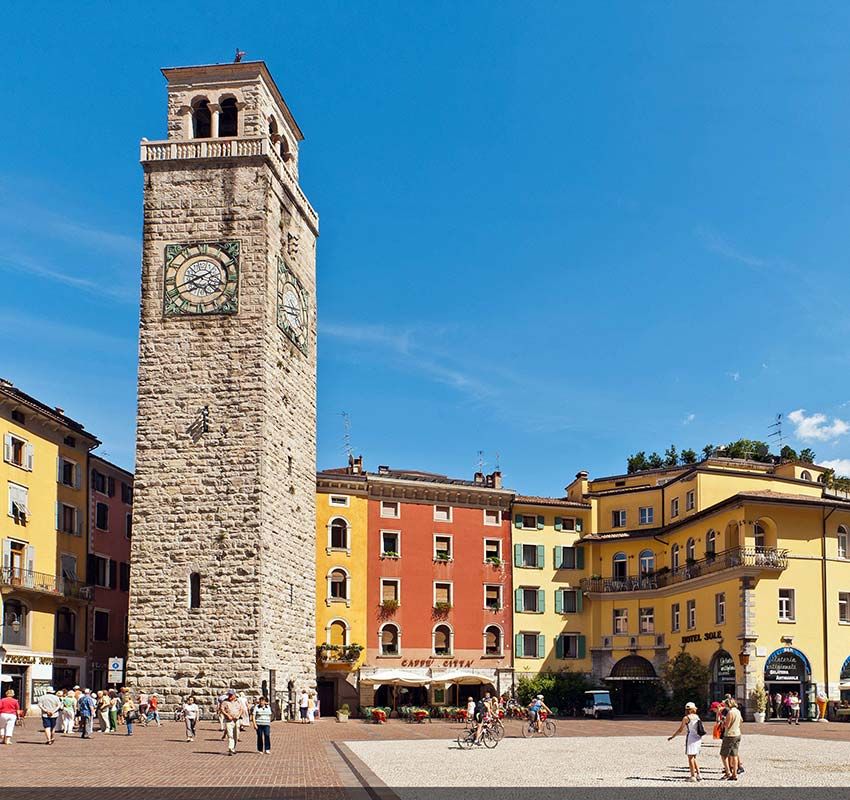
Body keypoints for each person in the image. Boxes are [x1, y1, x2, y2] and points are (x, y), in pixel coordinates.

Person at [667, 702, 703, 782]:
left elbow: (680, 730)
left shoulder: (686, 718)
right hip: (698, 738)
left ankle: (692, 776)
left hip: (691, 738)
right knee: (694, 757)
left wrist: (673, 736)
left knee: (690, 757)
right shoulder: (697, 717)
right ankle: (699, 774)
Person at [720, 698, 743, 781]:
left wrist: (723, 721)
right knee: (734, 754)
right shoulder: (738, 711)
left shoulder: (730, 712)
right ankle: (735, 774)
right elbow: (741, 721)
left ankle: (728, 772)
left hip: (729, 735)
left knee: (724, 754)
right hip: (737, 733)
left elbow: (727, 725)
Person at [221, 690, 242, 755]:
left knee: (235, 735)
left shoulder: (238, 701)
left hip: (236, 720)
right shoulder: (225, 702)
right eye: (229, 695)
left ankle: (233, 748)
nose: (229, 696)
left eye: (231, 695)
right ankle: (230, 749)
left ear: (234, 695)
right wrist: (227, 715)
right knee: (230, 735)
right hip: (229, 720)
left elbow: (241, 709)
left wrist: (238, 716)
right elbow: (222, 709)